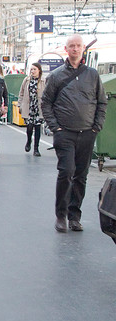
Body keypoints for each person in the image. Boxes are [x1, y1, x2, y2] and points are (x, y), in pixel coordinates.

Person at [41, 34, 107, 233]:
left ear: (83, 48)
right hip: (65, 134)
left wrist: (97, 126)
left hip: (87, 132)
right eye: (72, 46)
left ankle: (75, 216)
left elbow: (102, 102)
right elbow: (46, 102)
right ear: (66, 49)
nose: (75, 49)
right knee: (66, 172)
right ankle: (60, 215)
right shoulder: (56, 75)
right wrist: (56, 128)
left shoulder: (93, 75)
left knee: (81, 176)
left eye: (78, 46)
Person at [18, 62, 46, 157]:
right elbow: (21, 93)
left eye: (34, 69)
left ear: (39, 70)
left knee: (38, 127)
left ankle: (36, 148)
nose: (32, 71)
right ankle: (29, 140)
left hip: (38, 107)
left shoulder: (43, 81)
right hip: (28, 107)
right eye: (31, 69)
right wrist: (19, 105)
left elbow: (48, 94)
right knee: (29, 127)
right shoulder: (26, 80)